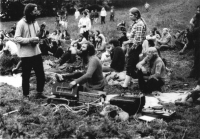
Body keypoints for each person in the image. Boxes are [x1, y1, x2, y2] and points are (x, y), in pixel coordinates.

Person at [14, 3, 47, 100]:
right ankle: (25, 95)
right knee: (26, 76)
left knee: (41, 74)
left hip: (36, 52)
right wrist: (29, 40)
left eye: (36, 10)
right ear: (29, 12)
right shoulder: (21, 23)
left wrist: (41, 31)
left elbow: (37, 35)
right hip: (26, 55)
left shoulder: (34, 22)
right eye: (34, 11)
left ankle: (39, 92)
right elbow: (16, 38)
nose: (37, 12)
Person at [121, 7, 147, 89]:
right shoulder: (136, 22)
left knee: (129, 65)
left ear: (136, 15)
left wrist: (129, 45)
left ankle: (125, 85)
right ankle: (138, 80)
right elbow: (134, 36)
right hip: (134, 46)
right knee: (133, 65)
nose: (129, 16)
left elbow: (138, 40)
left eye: (131, 15)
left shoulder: (139, 24)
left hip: (135, 47)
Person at [189, 5, 200, 79]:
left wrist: (192, 25)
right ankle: (195, 74)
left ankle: (197, 75)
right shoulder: (196, 17)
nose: (198, 11)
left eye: (199, 10)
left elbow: (196, 30)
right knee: (196, 57)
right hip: (197, 41)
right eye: (197, 10)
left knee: (198, 57)